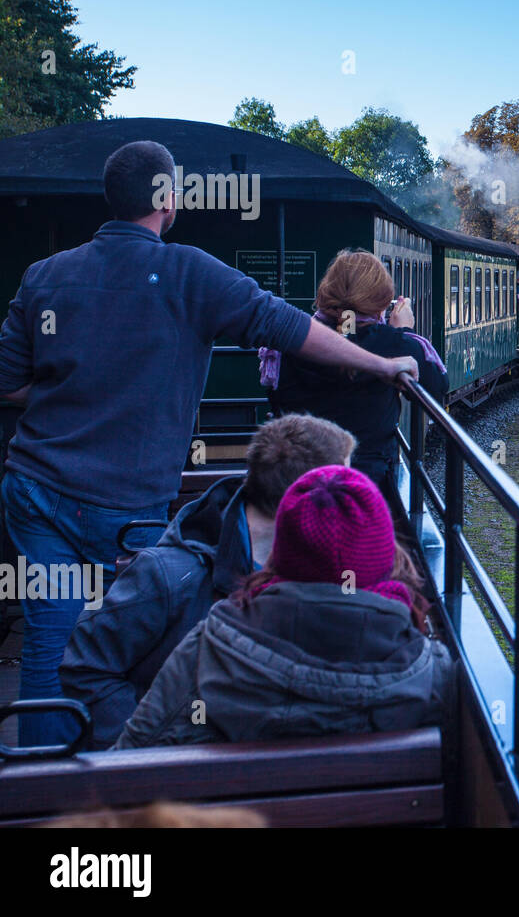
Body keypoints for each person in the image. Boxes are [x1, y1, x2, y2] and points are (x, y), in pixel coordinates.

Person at [0, 140, 418, 747]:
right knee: (141, 644)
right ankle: (130, 777)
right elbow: (291, 328)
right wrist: (381, 365)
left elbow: (8, 381)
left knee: (50, 638)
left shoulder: (45, 275)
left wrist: (78, 390)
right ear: (168, 201)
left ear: (111, 200)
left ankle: (39, 783)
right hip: (127, 502)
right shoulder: (191, 273)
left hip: (36, 488)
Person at [60, 414, 357, 749]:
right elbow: (86, 667)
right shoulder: (170, 576)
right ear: (301, 500)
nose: (353, 500)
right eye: (343, 486)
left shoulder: (328, 565)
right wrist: (142, 753)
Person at [114, 466, 454, 749]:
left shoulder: (209, 646)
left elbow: (133, 757)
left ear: (281, 554)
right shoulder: (431, 673)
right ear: (384, 558)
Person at [263, 249, 447, 524]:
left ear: (326, 293)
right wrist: (405, 331)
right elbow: (437, 387)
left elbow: (275, 396)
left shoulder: (290, 342)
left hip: (295, 484)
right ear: (381, 301)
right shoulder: (397, 344)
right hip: (368, 486)